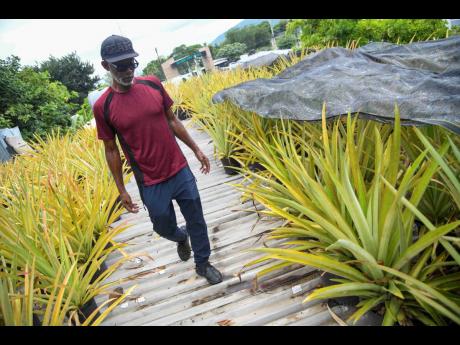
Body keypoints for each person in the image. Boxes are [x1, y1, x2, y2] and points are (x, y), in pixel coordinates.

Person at [91, 35, 223, 285]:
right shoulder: (103, 107)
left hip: (179, 169)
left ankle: (203, 263)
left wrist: (196, 149)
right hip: (150, 180)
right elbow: (110, 149)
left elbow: (172, 120)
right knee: (161, 225)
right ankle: (180, 237)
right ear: (106, 66)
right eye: (121, 65)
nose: (128, 70)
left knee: (197, 219)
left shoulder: (152, 84)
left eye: (132, 63)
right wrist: (121, 189)